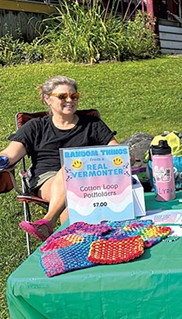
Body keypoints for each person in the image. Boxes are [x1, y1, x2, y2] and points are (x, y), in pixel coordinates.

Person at [0, 76, 117, 241]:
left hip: (88, 179)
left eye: (74, 96)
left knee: (72, 198)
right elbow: (9, 154)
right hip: (46, 178)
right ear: (47, 99)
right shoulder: (36, 127)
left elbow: (115, 151)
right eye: (62, 96)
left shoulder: (92, 124)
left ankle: (56, 230)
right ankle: (60, 229)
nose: (69, 100)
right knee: (69, 171)